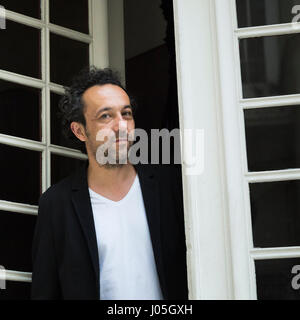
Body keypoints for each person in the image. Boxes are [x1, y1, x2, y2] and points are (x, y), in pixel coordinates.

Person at [31, 67, 188, 300]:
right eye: (106, 116)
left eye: (126, 114)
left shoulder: (171, 186)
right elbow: (45, 291)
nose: (121, 125)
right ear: (80, 130)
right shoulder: (57, 204)